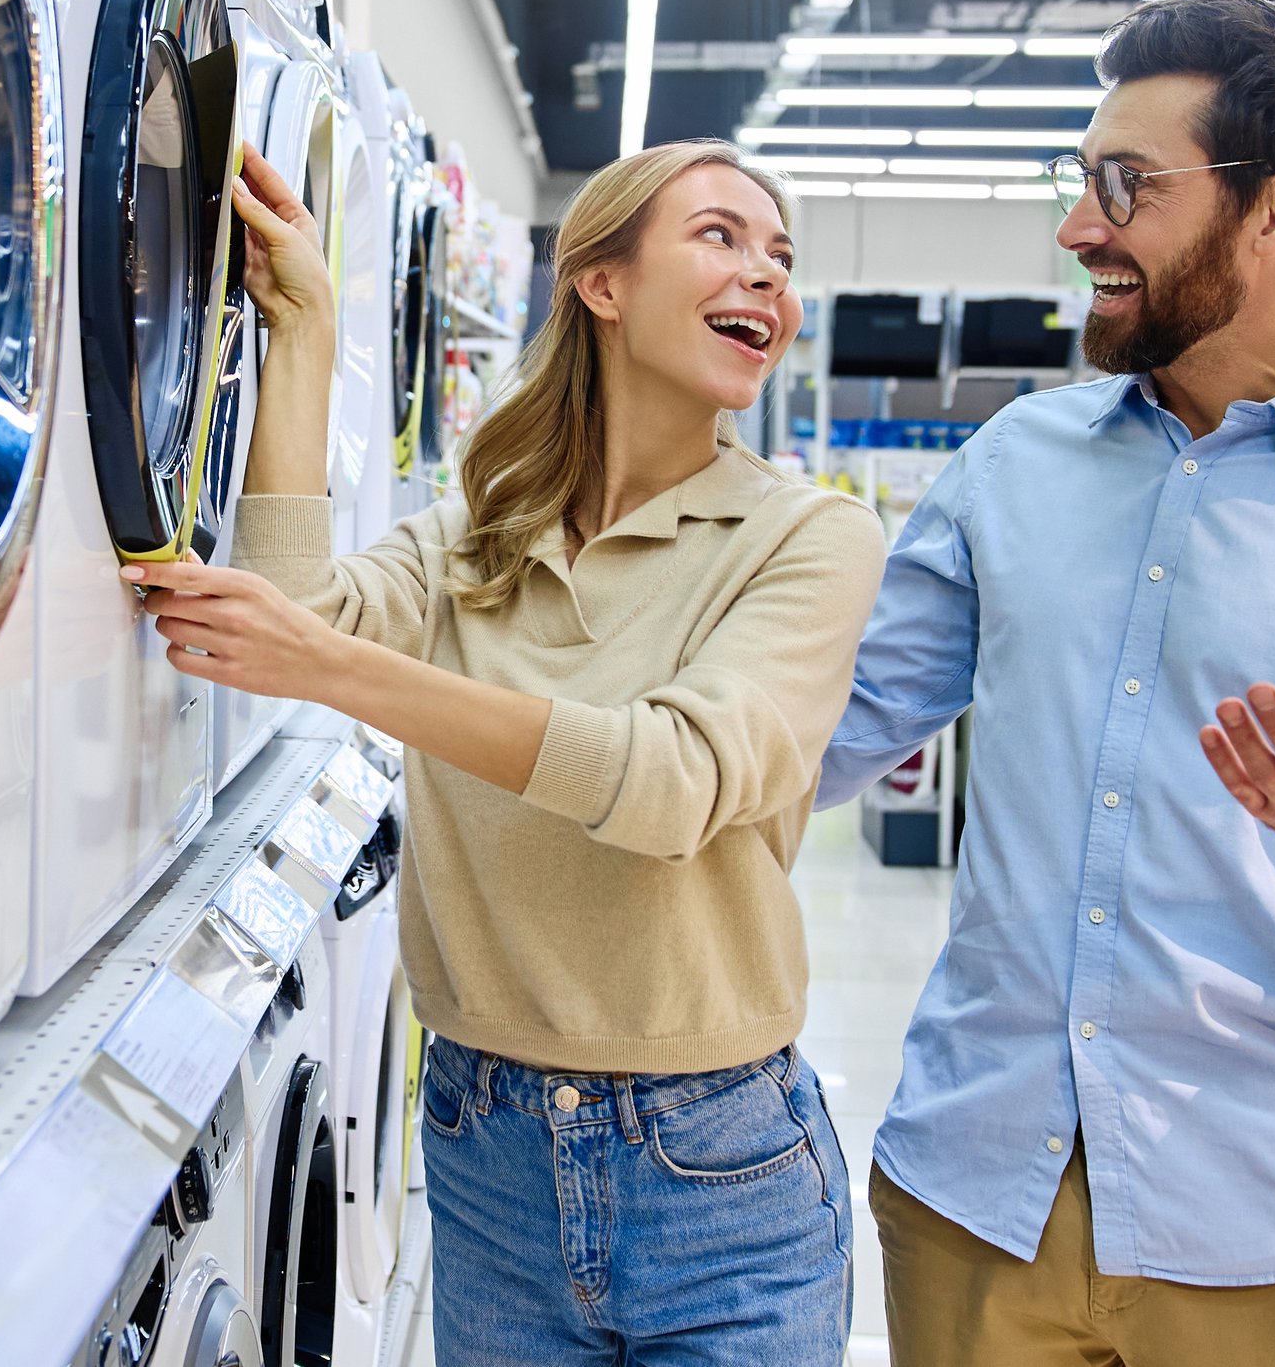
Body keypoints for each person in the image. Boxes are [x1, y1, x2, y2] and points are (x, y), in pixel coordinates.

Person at [818, 0, 1275, 1367]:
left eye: (1125, 185)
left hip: (1274, 1234)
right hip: (976, 1205)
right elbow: (818, 738)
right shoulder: (1013, 465)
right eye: (1079, 179)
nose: (1077, 227)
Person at [123, 138, 885, 1365]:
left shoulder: (809, 539)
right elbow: (293, 618)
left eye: (781, 257)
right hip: (489, 1148)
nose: (768, 277)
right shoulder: (484, 530)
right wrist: (303, 331)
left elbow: (673, 781)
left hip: (717, 1167)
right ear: (602, 282)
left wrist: (337, 669)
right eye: (722, 236)